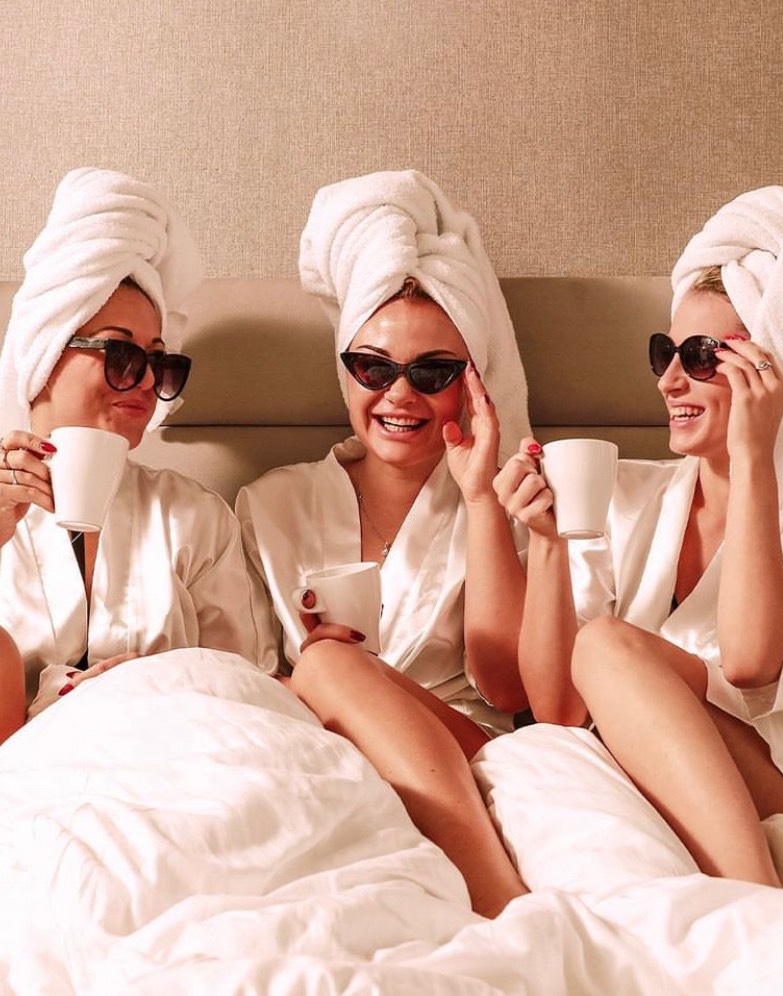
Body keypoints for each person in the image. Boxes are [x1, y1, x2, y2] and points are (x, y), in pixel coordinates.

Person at [237, 170, 531, 916]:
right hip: (320, 746)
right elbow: (250, 678)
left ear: (472, 383)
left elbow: (508, 689)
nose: (399, 395)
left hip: (469, 749)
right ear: (345, 372)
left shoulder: (512, 500)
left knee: (328, 661)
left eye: (432, 372)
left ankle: (499, 900)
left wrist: (480, 499)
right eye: (373, 367)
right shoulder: (270, 504)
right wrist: (324, 683)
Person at [494, 185, 783, 888]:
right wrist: (547, 543)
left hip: (779, 777)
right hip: (664, 782)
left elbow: (750, 663)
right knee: (600, 650)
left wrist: (753, 455)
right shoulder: (625, 493)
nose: (669, 381)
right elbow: (557, 709)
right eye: (665, 352)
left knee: (605, 641)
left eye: (702, 356)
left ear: (774, 368)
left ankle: (753, 905)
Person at [0, 167, 271, 735]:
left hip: (170, 759)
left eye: (159, 362)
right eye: (121, 356)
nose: (147, 381)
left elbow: (252, 686)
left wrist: (149, 688)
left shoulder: (193, 517)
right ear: (45, 353)